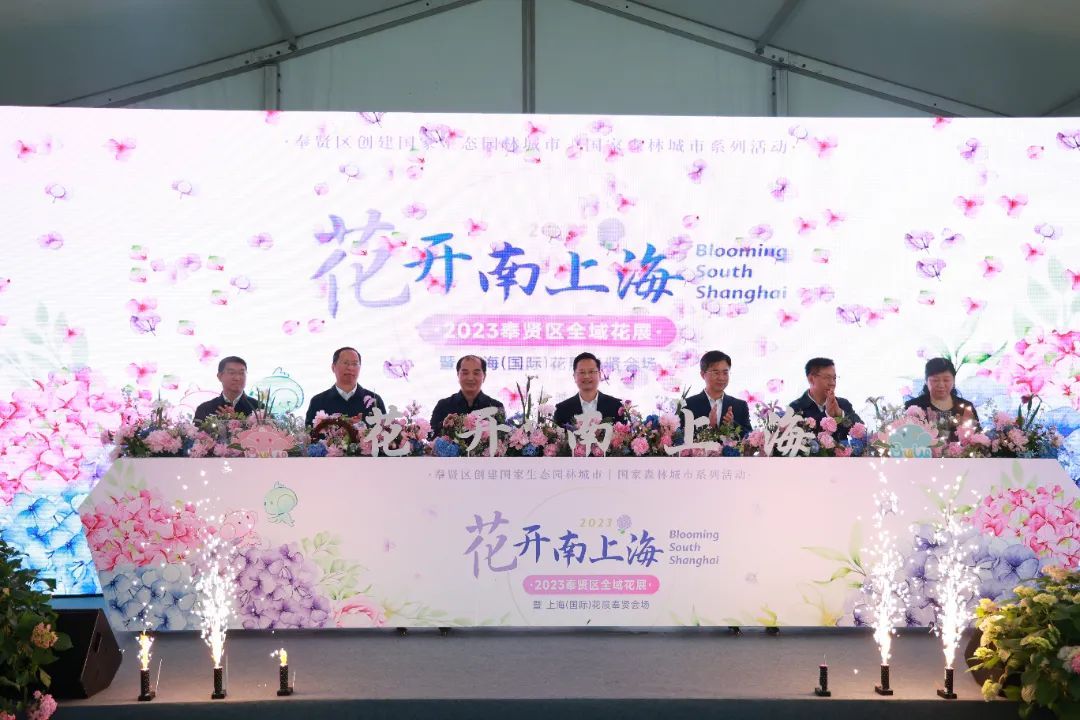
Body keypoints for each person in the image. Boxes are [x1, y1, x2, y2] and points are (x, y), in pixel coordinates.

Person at [304, 347, 387, 427]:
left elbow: (385, 432)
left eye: (355, 364)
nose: (350, 368)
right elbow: (309, 434)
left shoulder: (374, 400)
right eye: (345, 363)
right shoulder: (318, 402)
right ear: (333, 367)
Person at [904, 357, 980, 437]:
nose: (941, 385)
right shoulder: (913, 406)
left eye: (946, 380)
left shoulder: (966, 407)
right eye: (935, 380)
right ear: (926, 381)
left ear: (953, 380)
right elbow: (904, 438)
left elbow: (977, 438)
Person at [683, 351, 752, 438]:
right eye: (716, 373)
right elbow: (679, 438)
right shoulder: (688, 405)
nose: (721, 378)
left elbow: (750, 437)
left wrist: (733, 425)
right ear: (703, 374)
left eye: (725, 373)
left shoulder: (740, 406)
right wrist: (707, 427)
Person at [429, 355, 504, 435]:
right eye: (465, 373)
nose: (470, 378)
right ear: (458, 375)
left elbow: (502, 437)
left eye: (476, 373)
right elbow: (430, 435)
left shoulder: (496, 407)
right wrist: (443, 425)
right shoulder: (443, 405)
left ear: (484, 376)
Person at [789, 358, 863, 437]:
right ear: (811, 379)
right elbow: (800, 439)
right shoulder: (795, 408)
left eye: (834, 378)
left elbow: (863, 433)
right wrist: (827, 415)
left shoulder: (843, 404)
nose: (832, 383)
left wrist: (840, 414)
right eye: (827, 378)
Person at [553, 352, 623, 427]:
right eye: (582, 372)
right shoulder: (562, 409)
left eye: (591, 371)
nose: (586, 376)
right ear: (574, 376)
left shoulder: (616, 406)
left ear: (599, 375)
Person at [194, 356, 261, 422]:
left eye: (241, 373)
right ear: (219, 376)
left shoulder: (259, 408)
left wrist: (236, 421)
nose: (237, 378)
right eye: (232, 373)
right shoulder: (204, 409)